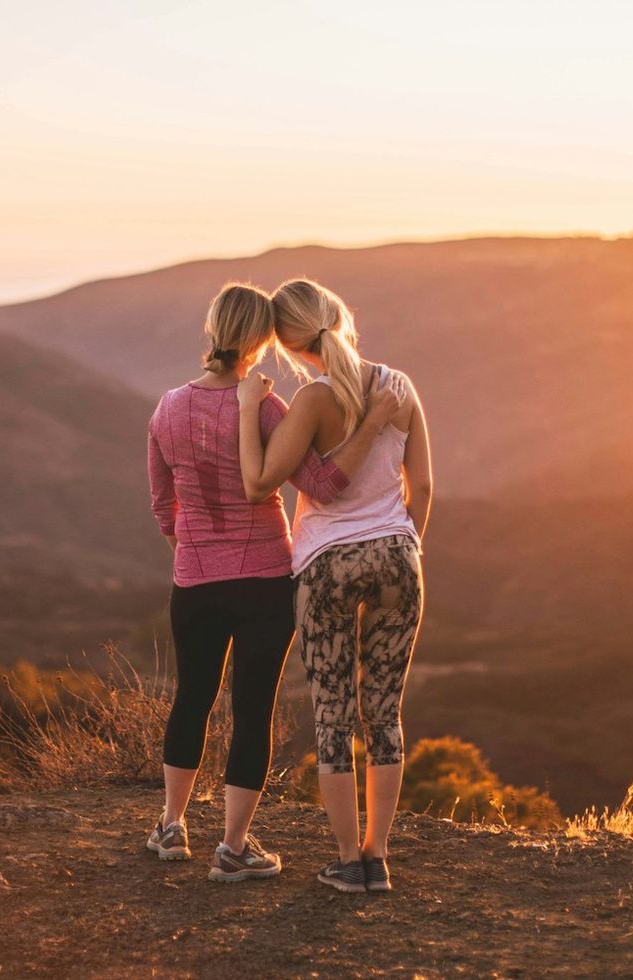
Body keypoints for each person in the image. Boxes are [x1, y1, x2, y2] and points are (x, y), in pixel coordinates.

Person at [145, 281, 402, 883]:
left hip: (196, 580)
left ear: (211, 332)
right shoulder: (267, 410)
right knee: (252, 709)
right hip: (264, 580)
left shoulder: (168, 408)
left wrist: (190, 548)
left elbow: (162, 501)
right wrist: (371, 429)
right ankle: (233, 848)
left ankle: (171, 826)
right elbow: (323, 485)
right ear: (262, 342)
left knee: (192, 697)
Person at [237, 278, 431, 893]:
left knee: (334, 714)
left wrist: (248, 411)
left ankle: (349, 860)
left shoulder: (314, 402)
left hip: (327, 567)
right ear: (341, 316)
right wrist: (406, 546)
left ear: (291, 347)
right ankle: (379, 856)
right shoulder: (399, 387)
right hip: (399, 557)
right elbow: (421, 488)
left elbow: (271, 479)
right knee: (385, 711)